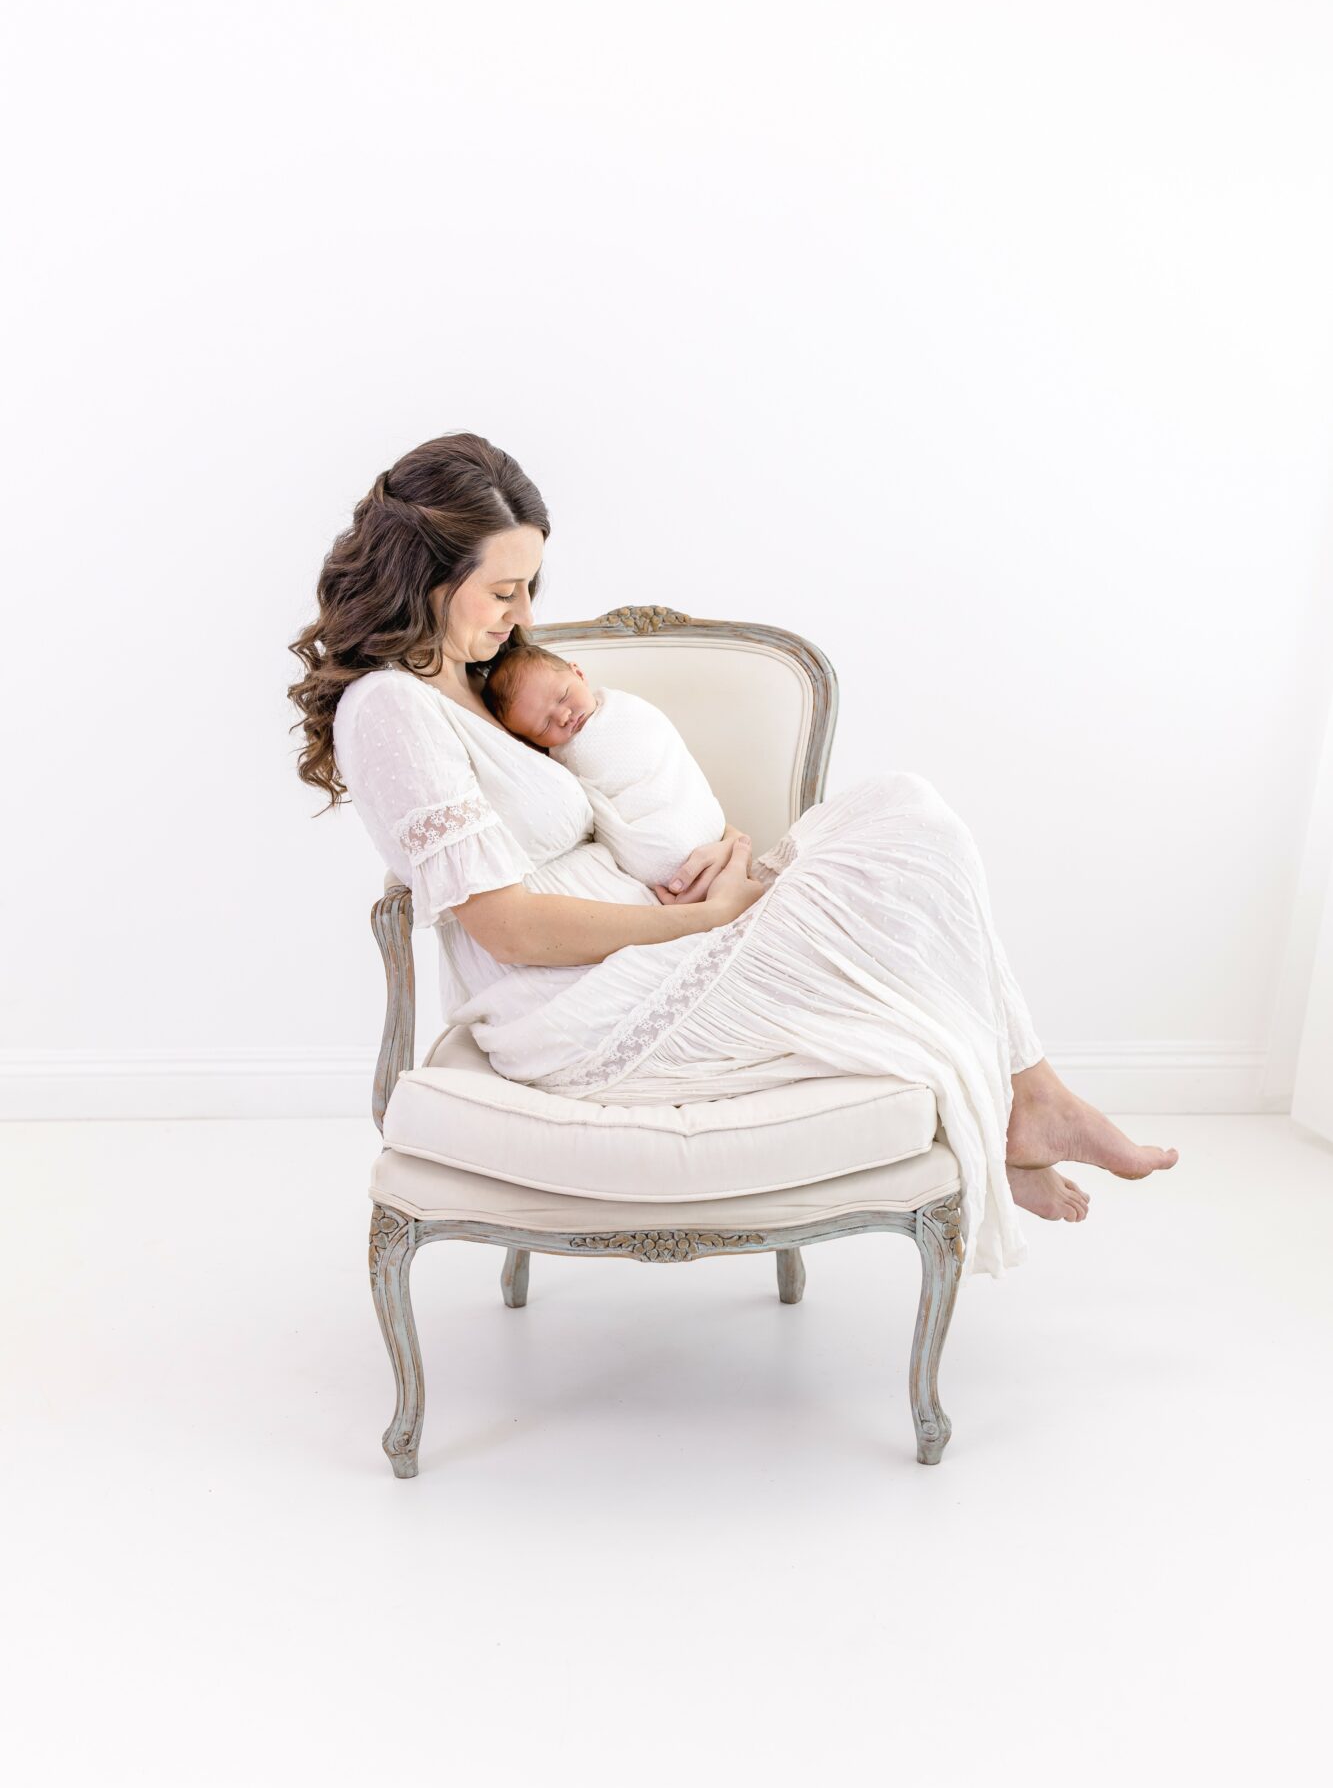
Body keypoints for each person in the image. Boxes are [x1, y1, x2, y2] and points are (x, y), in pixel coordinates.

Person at [288, 431, 1179, 1287]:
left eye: (530, 587)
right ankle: (1025, 1103)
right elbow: (507, 927)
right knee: (906, 838)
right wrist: (698, 917)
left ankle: (1024, 1097)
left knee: (899, 810)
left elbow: (618, 813)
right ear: (430, 580)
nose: (525, 615)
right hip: (581, 1010)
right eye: (504, 591)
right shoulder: (390, 710)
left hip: (655, 944)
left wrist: (728, 858)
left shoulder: (482, 683)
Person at [479, 640, 730, 892]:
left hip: (705, 821)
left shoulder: (625, 706)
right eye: (544, 725)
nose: (564, 716)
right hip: (663, 847)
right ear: (531, 743)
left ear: (578, 672)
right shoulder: (561, 758)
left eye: (563, 696)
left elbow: (670, 758)